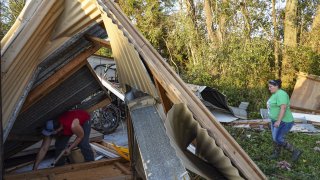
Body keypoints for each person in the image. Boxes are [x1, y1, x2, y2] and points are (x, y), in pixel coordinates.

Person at [267, 79, 302, 161]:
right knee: (275, 138)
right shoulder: (275, 94)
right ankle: (276, 154)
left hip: (284, 121)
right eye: (269, 87)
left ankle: (295, 151)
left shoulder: (281, 94)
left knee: (278, 138)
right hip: (275, 120)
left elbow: (283, 108)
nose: (269, 88)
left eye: (270, 87)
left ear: (276, 86)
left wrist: (278, 121)